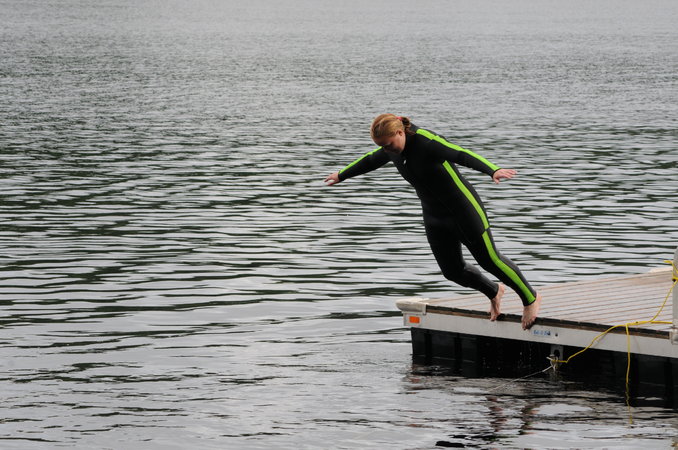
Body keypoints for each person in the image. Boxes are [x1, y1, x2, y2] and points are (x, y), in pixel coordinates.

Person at [324, 114, 542, 330]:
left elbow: (461, 154)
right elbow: (371, 159)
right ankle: (494, 291)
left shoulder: (426, 142)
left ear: (400, 132)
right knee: (452, 271)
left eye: (388, 144)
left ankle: (530, 298)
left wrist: (492, 169)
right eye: (382, 146)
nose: (386, 150)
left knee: (490, 260)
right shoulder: (391, 149)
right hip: (434, 216)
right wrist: (341, 175)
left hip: (464, 210)